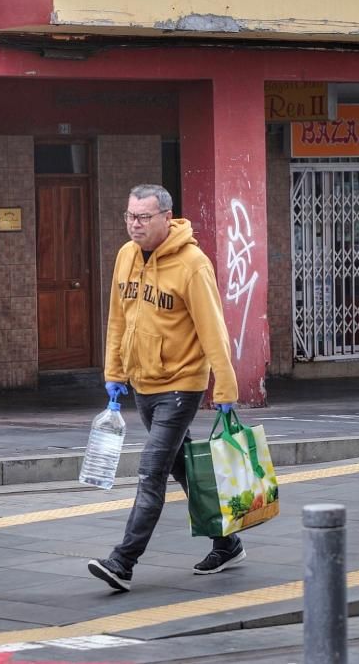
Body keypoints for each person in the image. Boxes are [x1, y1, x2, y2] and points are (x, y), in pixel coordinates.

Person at [87, 184, 241, 592]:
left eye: (142, 218)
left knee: (150, 472)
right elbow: (118, 319)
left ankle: (122, 562)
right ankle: (227, 543)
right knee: (184, 467)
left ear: (166, 218)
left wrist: (225, 388)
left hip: (181, 385)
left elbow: (214, 331)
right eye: (129, 216)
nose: (133, 225)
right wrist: (114, 372)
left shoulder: (192, 264)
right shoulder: (125, 256)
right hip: (142, 384)